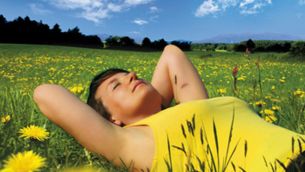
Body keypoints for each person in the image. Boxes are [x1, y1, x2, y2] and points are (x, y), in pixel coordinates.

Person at [34, 45, 305, 172]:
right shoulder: (129, 141)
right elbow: (45, 93)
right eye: (115, 86)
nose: (131, 75)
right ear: (112, 120)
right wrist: (101, 124)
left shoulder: (194, 106)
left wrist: (157, 103)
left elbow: (171, 54)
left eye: (129, 73)